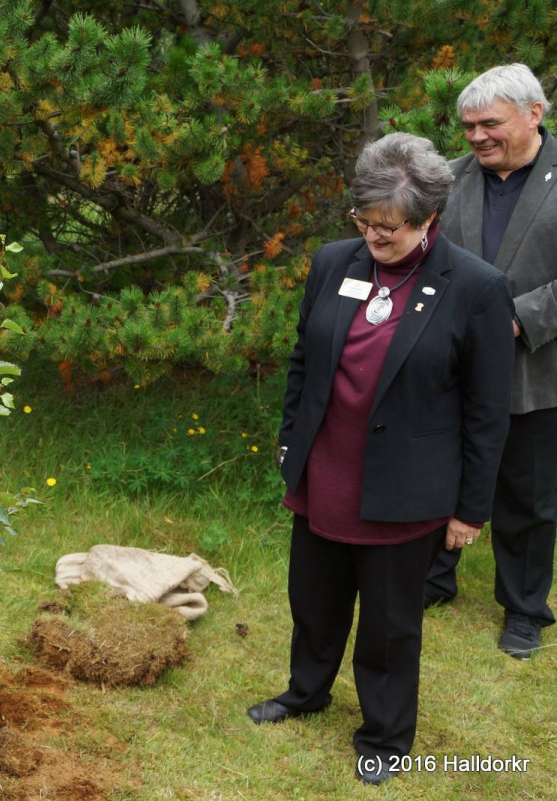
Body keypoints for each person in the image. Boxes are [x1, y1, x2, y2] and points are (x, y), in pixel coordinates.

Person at [247, 133, 514, 785]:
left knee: (391, 625)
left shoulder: (477, 289)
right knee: (314, 599)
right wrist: (291, 444)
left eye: (388, 227)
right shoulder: (333, 263)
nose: (373, 236)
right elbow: (304, 363)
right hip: (325, 472)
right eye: (364, 221)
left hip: (406, 490)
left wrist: (470, 508)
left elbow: (487, 411)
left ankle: (386, 735)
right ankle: (306, 691)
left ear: (428, 221)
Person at [423, 63, 557, 661]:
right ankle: (431, 580)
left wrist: (516, 318)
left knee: (528, 497)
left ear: (535, 114)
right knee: (437, 474)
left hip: (538, 367)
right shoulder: (448, 181)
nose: (476, 136)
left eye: (489, 124)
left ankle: (525, 609)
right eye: (469, 126)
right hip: (449, 369)